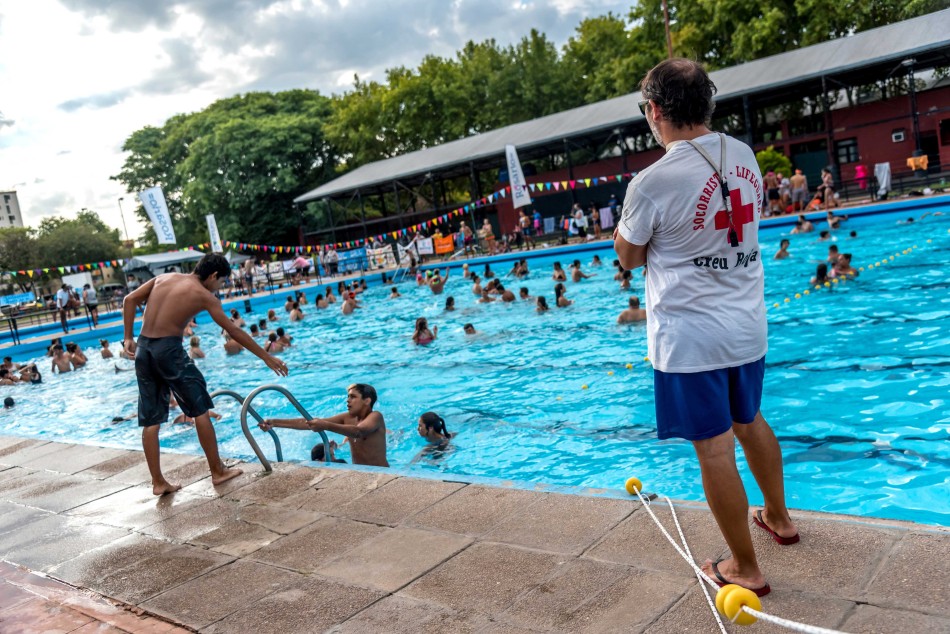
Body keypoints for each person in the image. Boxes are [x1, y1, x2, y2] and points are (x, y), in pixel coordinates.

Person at [613, 59, 796, 597]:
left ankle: (745, 567)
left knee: (714, 451)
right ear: (708, 105)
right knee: (751, 419)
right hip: (747, 326)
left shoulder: (651, 181)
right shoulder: (742, 155)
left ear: (655, 112)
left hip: (691, 340)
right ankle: (780, 520)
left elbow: (628, 256)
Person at [122, 253, 288, 495]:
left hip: (144, 349)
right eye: (221, 283)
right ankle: (218, 471)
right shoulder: (203, 296)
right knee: (200, 409)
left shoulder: (164, 278)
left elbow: (129, 299)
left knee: (151, 420)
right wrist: (266, 357)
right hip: (169, 350)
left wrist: (128, 337)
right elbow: (233, 330)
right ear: (213, 276)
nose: (219, 288)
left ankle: (158, 482)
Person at [261, 384, 388, 467]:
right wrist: (275, 422)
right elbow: (310, 422)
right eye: (348, 396)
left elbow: (359, 432)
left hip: (383, 472)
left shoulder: (376, 416)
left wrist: (326, 425)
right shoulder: (347, 418)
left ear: (367, 400)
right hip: (360, 471)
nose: (347, 400)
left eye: (353, 397)